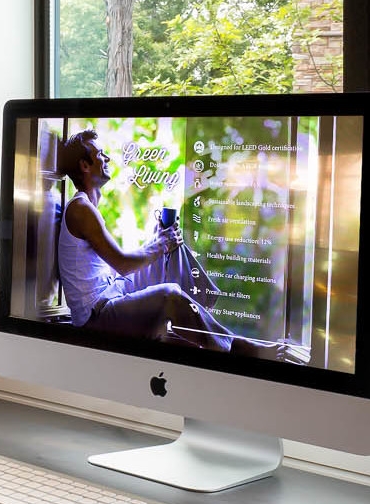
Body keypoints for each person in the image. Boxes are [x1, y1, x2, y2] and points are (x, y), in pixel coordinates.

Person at [54, 130, 294, 361]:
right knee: (170, 294)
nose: (106, 158)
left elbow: (118, 265)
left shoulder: (88, 206)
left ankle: (202, 323)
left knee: (172, 247)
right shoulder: (81, 209)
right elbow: (123, 264)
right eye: (100, 154)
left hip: (111, 290)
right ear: (85, 165)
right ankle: (234, 347)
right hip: (96, 317)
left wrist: (161, 240)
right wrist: (160, 244)